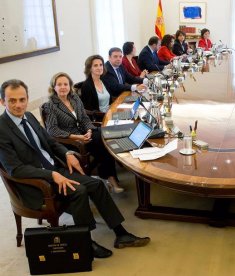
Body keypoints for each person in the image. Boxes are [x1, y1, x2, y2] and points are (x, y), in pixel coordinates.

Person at [0, 79, 150, 258]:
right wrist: (52, 174)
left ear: (27, 99)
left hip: (54, 170)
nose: (18, 105)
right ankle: (86, 242)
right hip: (36, 183)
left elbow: (50, 142)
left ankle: (121, 234)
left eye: (22, 100)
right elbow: (15, 169)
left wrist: (67, 154)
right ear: (2, 102)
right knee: (79, 191)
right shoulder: (2, 129)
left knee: (97, 184)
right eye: (12, 101)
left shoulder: (29, 117)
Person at [44, 72, 124, 194]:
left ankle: (110, 177)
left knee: (105, 137)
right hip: (70, 141)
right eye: (59, 84)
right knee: (101, 143)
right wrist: (77, 137)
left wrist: (89, 130)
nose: (63, 87)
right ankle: (110, 178)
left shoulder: (74, 98)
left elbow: (84, 118)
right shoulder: (50, 105)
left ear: (70, 85)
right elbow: (52, 129)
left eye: (65, 84)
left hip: (84, 133)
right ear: (53, 87)